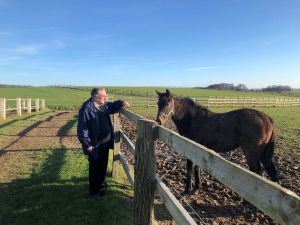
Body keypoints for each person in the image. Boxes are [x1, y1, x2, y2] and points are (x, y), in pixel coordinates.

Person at [77, 88, 130, 196]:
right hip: (94, 144)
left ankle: (100, 185)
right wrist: (87, 144)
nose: (105, 98)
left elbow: (112, 105)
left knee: (103, 165)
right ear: (95, 97)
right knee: (95, 167)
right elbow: (82, 129)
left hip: (104, 143)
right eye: (104, 96)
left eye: (105, 96)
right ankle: (93, 190)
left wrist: (122, 103)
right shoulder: (86, 109)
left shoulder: (103, 105)